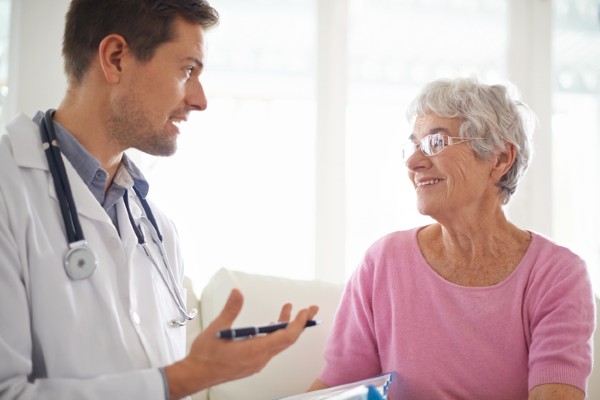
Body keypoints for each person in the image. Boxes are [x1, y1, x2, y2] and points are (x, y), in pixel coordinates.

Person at [0, 1, 318, 399]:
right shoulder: (8, 192)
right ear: (115, 59)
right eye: (187, 70)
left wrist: (192, 374)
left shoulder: (157, 229)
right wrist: (185, 378)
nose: (200, 100)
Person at [308, 77, 595, 399]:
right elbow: (340, 389)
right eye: (413, 146)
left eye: (436, 143)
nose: (413, 162)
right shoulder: (384, 261)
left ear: (500, 159)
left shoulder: (556, 274)